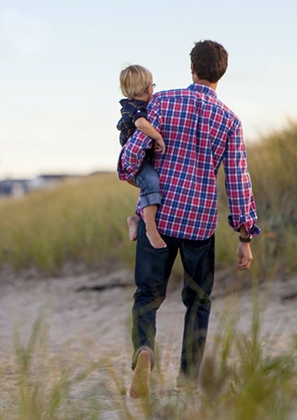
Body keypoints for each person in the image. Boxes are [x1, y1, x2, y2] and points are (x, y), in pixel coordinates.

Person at [117, 40, 261, 398]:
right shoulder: (230, 120)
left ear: (192, 69)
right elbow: (238, 180)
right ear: (221, 73)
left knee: (147, 297)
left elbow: (131, 156)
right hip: (199, 224)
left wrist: (132, 172)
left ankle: (144, 351)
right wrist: (245, 238)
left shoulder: (162, 101)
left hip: (160, 218)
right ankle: (187, 381)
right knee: (198, 302)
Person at [117, 65, 167, 249]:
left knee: (149, 186)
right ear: (148, 88)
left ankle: (136, 219)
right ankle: (150, 230)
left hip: (141, 159)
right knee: (151, 182)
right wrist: (157, 136)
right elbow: (140, 124)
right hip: (135, 161)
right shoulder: (136, 108)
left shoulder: (132, 105)